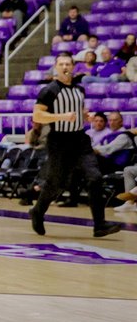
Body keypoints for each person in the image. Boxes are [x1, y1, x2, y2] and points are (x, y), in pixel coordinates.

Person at [27, 54, 121, 237]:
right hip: (59, 141)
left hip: (79, 139)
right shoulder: (49, 90)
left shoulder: (79, 89)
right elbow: (37, 116)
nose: (64, 67)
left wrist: (86, 116)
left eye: (68, 64)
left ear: (73, 67)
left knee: (95, 178)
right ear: (55, 67)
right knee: (56, 184)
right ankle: (38, 211)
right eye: (61, 64)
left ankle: (99, 225)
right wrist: (60, 117)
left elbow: (78, 110)